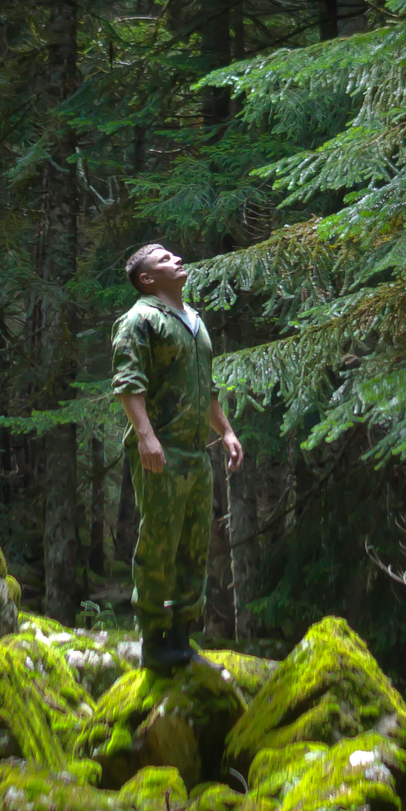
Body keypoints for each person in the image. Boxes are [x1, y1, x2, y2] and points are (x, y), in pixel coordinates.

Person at [111, 240, 243, 669]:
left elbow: (207, 388)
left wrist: (225, 432)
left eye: (174, 255)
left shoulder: (195, 322)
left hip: (195, 454)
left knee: (193, 544)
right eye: (165, 259)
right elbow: (128, 384)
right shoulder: (140, 319)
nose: (177, 259)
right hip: (161, 453)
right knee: (158, 544)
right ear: (147, 278)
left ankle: (184, 636)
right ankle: (154, 640)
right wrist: (146, 438)